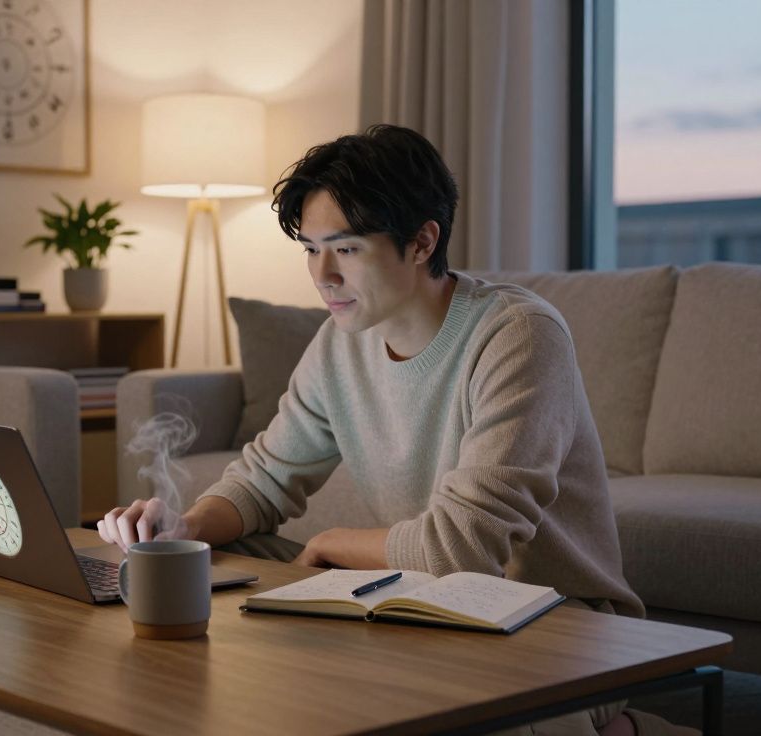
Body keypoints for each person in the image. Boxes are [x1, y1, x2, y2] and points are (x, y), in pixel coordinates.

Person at [99, 125, 655, 735]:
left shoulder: (518, 336)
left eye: (346, 249)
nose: (322, 275)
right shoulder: (340, 343)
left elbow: (461, 548)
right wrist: (184, 529)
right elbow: (263, 482)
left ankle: (625, 728)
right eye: (311, 249)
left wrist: (335, 543)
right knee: (224, 563)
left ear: (422, 242)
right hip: (420, 597)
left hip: (554, 617)